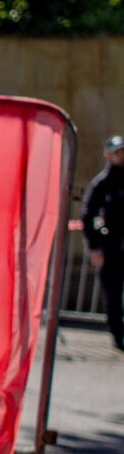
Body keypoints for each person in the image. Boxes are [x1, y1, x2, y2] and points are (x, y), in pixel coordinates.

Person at [81, 134, 124, 351]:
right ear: (108, 155)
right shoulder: (102, 183)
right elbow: (88, 215)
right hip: (112, 247)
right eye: (117, 152)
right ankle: (118, 335)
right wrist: (95, 246)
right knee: (113, 294)